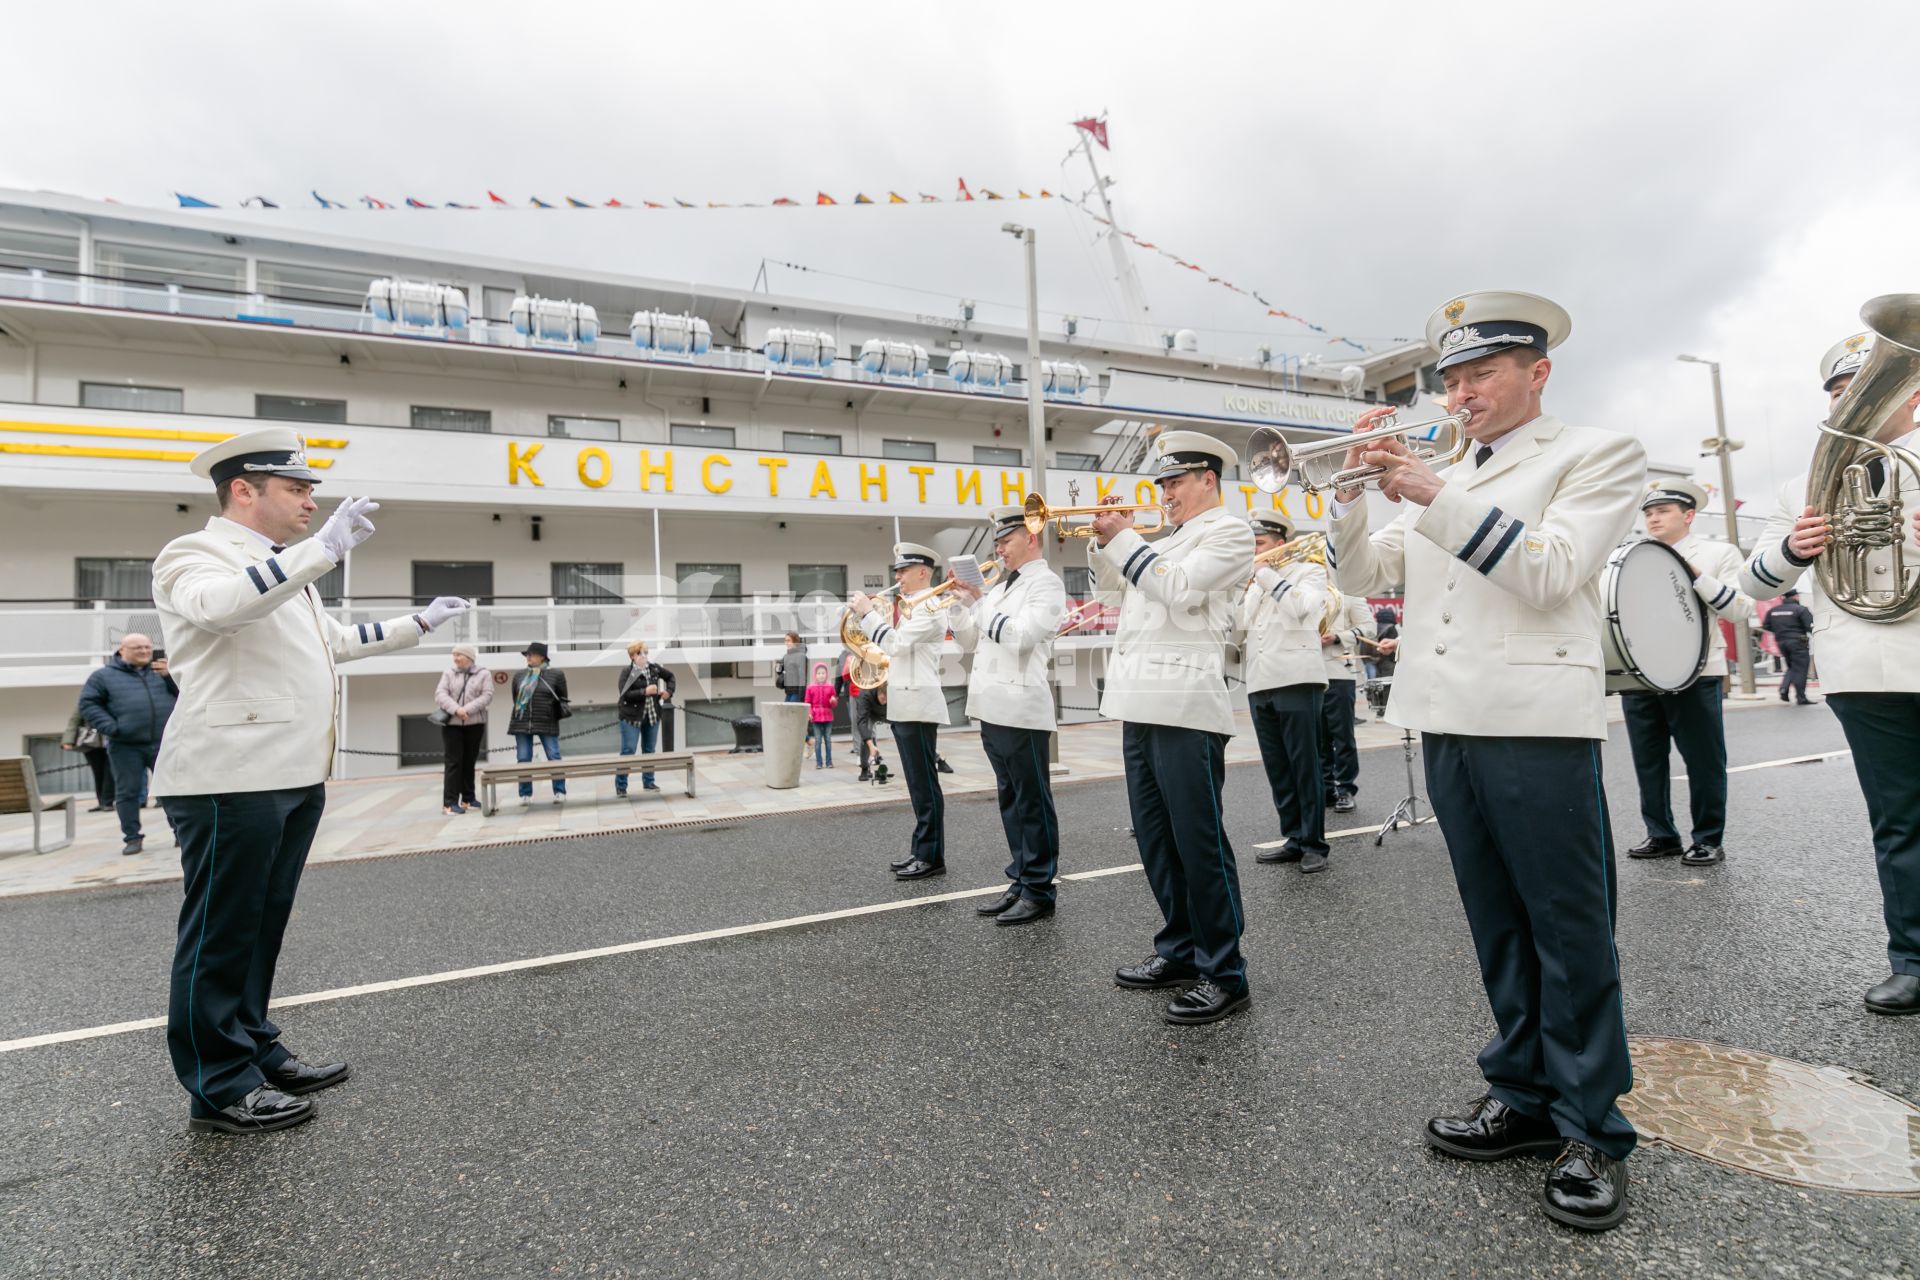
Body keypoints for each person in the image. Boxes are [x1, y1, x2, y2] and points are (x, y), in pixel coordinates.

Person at [1329, 292, 1646, 1230]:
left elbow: (1550, 571)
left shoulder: (1593, 453)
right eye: (1453, 377)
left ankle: (1591, 1124)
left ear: (1536, 373)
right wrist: (1351, 494)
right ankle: (1523, 1090)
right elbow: (1361, 577)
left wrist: (1433, 491)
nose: (1462, 392)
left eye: (1481, 374)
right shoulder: (1450, 472)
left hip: (1536, 717)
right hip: (1448, 717)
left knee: (1567, 924)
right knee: (1499, 923)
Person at [151, 426, 469, 1134]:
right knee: (219, 933)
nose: (309, 502)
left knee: (260, 927)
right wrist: (320, 550)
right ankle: (217, 1083)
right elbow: (220, 606)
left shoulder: (280, 565)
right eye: (295, 489)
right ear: (243, 489)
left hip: (288, 773)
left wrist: (418, 622)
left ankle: (253, 1047)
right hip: (227, 776)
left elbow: (331, 646)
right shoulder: (196, 554)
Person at [1739, 328, 1920, 1017]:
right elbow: (1756, 583)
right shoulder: (1801, 485)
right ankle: (1913, 960)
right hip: (1865, 669)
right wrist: (1792, 548)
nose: (1855, 407)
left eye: (1872, 390)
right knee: (1899, 821)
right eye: (1843, 396)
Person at [1091, 430, 1256, 1025]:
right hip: (1139, 699)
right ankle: (1182, 949)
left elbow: (1179, 591)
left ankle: (1225, 971)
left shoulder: (1229, 532)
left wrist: (1128, 541)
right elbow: (1115, 586)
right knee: (1156, 840)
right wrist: (1103, 543)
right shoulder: (1168, 538)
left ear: (1208, 479)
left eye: (1175, 482)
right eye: (1161, 483)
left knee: (1198, 842)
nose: (1166, 494)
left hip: (1186, 702)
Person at [1621, 479, 1751, 867]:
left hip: (1696, 670)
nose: (1653, 518)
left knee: (1704, 759)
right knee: (1648, 759)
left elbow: (1740, 609)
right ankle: (1661, 834)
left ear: (1689, 515)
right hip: (1642, 672)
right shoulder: (1632, 554)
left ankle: (1708, 838)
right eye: (1648, 512)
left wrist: (1695, 574)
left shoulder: (1716, 553)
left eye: (1662, 511)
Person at [951, 505, 1068, 925]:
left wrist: (981, 602)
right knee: (1011, 799)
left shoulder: (1047, 585)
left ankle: (1040, 889)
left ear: (1030, 538)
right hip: (991, 705)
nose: (998, 549)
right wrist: (960, 604)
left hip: (1021, 708)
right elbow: (970, 638)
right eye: (996, 542)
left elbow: (1019, 638)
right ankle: (1020, 877)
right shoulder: (1001, 587)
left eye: (1006, 540)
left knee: (1032, 801)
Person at [1231, 510, 1332, 872]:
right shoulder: (1255, 583)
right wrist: (1237, 594)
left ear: (1280, 544)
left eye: (1258, 544)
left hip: (1297, 679)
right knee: (1278, 768)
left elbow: (1303, 610)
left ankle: (1314, 843)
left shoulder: (1309, 572)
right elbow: (1238, 631)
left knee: (1304, 765)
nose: (1252, 552)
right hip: (1260, 682)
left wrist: (1266, 576)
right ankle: (1293, 836)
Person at [852, 543, 947, 879]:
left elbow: (895, 644)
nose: (897, 577)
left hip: (919, 705)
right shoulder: (912, 606)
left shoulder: (931, 607)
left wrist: (866, 614)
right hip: (906, 703)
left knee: (925, 785)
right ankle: (921, 850)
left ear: (923, 572)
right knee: (917, 785)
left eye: (903, 571)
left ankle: (932, 856)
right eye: (897, 571)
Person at [77, 632, 178, 856]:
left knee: (173, 792)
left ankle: (180, 834)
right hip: (125, 745)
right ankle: (132, 838)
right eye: (137, 648)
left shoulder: (162, 673)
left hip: (164, 742)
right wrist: (113, 728)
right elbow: (88, 704)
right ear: (122, 651)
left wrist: (171, 676)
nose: (144, 651)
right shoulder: (103, 676)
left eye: (147, 647)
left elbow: (184, 695)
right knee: (128, 793)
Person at [1318, 593, 1375, 813]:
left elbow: (1369, 626)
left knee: (1342, 735)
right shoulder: (1304, 589)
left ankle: (1345, 789)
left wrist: (1338, 637)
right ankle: (1325, 788)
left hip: (1339, 671)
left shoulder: (1349, 592)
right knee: (1317, 736)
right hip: (1308, 672)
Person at [435, 644, 491, 815]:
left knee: (469, 762)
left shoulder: (484, 673)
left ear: (469, 657)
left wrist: (467, 710)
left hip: (475, 724)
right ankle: (449, 803)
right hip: (452, 726)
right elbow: (440, 694)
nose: (455, 658)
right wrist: (457, 710)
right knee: (453, 763)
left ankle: (468, 799)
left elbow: (487, 695)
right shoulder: (449, 673)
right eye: (454, 655)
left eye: (459, 655)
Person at [509, 642, 568, 805]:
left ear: (542, 657)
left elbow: (562, 697)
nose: (527, 657)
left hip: (546, 721)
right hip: (522, 722)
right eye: (526, 655)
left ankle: (560, 791)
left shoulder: (556, 674)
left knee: (554, 756)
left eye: (531, 654)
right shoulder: (519, 675)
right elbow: (516, 699)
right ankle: (525, 794)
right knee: (523, 758)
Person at [615, 639, 675, 796]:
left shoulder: (654, 668)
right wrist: (644, 692)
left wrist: (669, 691)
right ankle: (621, 786)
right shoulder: (627, 672)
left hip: (652, 716)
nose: (644, 655)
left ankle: (648, 782)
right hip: (630, 718)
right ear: (633, 656)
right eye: (640, 653)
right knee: (628, 750)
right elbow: (624, 694)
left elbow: (671, 677)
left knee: (649, 750)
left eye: (646, 652)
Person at [1762, 589, 1815, 703]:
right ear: (1795, 597)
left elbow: (1766, 626)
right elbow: (1810, 626)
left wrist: (1780, 631)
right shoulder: (1800, 609)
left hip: (1781, 642)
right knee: (1800, 669)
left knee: (1792, 668)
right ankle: (1801, 697)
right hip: (1798, 643)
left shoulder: (1773, 611)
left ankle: (1784, 689)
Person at [61, 704, 115, 812]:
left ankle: (107, 802)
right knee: (98, 773)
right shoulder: (88, 699)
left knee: (109, 773)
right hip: (91, 742)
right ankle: (102, 802)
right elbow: (75, 720)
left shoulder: (114, 697)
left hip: (111, 739)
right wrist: (68, 740)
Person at [844, 647, 887, 780]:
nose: (884, 699)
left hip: (887, 712)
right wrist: (870, 745)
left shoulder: (889, 687)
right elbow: (861, 722)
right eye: (882, 697)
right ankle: (864, 767)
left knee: (906, 728)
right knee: (865, 733)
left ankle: (936, 758)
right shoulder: (865, 693)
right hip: (868, 708)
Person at [803, 662, 838, 767]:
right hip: (816, 718)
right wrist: (809, 713)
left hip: (828, 717)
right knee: (818, 740)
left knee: (828, 739)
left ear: (826, 674)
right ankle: (819, 762)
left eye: (823, 673)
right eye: (818, 673)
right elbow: (808, 702)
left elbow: (834, 704)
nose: (821, 675)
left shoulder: (830, 687)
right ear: (815, 675)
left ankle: (829, 762)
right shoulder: (810, 688)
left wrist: (833, 701)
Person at [778, 631, 808, 703]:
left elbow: (802, 678)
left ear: (795, 641)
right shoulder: (786, 656)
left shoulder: (801, 656)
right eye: (785, 641)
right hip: (788, 692)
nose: (786, 643)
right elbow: (780, 672)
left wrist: (801, 698)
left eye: (789, 640)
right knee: (786, 712)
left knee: (790, 713)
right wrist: (778, 668)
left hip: (797, 692)